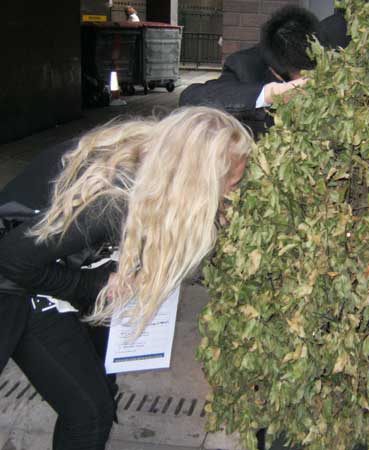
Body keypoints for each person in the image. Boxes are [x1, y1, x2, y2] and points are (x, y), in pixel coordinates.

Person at [0, 106, 252, 450]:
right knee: (88, 413)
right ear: (199, 179)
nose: (232, 194)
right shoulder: (110, 202)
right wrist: (92, 286)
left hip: (53, 267)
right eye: (231, 184)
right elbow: (12, 260)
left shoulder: (154, 162)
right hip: (14, 282)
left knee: (101, 388)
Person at [179, 5, 320, 138]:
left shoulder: (328, 54)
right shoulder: (244, 66)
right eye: (298, 75)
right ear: (276, 68)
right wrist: (271, 93)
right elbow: (190, 99)